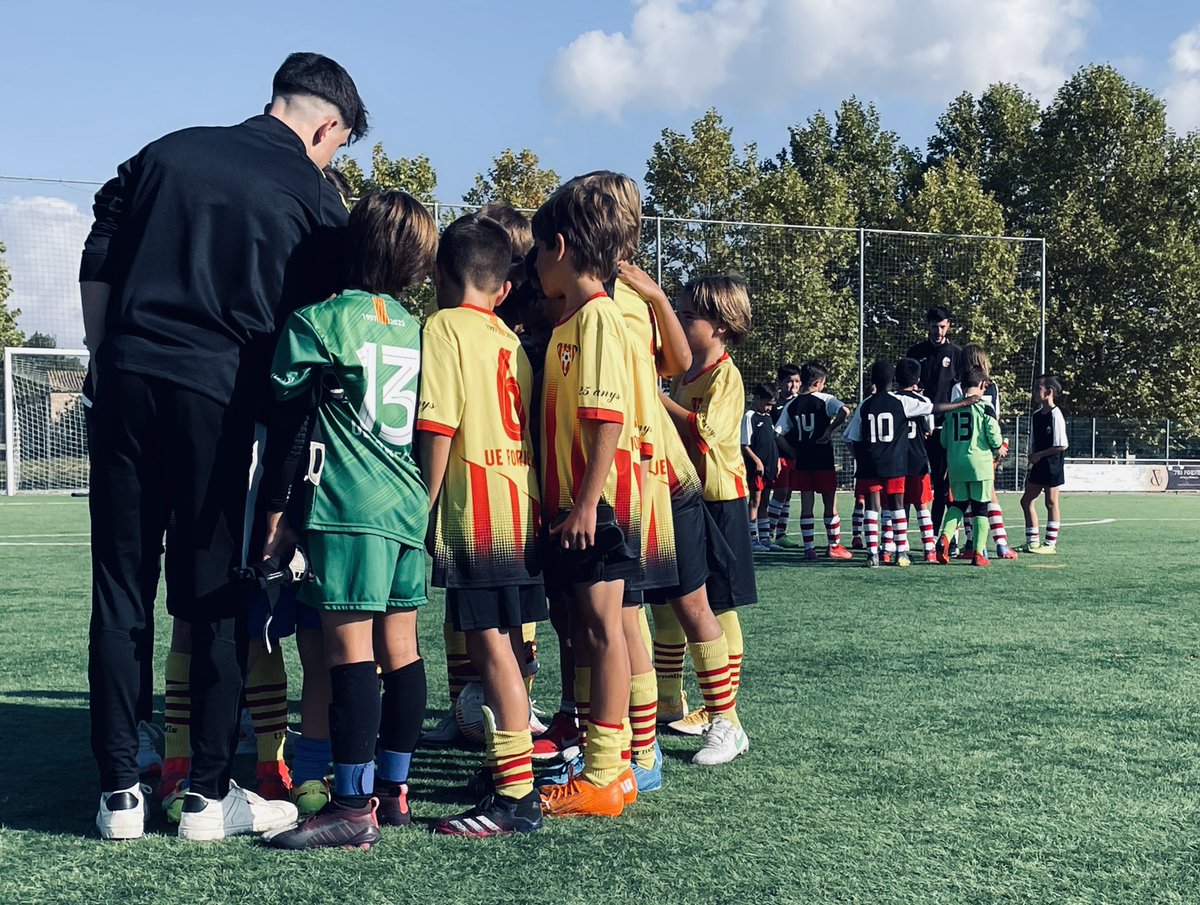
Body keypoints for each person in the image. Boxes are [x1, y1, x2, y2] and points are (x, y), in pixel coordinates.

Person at [82, 52, 365, 841]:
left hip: (128, 378)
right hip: (218, 398)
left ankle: (118, 794)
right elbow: (309, 351)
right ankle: (207, 796)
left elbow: (101, 239)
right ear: (328, 126)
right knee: (211, 595)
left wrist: (104, 355)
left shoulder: (168, 150)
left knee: (120, 590)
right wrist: (282, 494)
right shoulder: (315, 197)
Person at [261, 191, 439, 850]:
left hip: (350, 506)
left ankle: (351, 806)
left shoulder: (320, 321)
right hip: (408, 503)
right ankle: (394, 791)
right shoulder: (420, 329)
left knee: (349, 652)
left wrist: (279, 511)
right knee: (403, 649)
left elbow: (281, 397)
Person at [416, 214, 547, 837]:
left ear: (440, 275)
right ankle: (509, 776)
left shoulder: (444, 327)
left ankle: (515, 798)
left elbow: (438, 425)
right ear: (504, 286)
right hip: (523, 508)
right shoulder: (510, 339)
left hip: (479, 513)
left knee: (491, 649)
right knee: (511, 651)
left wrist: (422, 506)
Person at [533, 179, 642, 818]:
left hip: (595, 506)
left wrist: (584, 504)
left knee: (602, 632)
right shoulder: (572, 321)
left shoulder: (598, 317)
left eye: (537, 253)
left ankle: (604, 773)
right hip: (579, 504)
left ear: (560, 247)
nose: (533, 267)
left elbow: (607, 418)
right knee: (588, 630)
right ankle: (612, 765)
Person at [660, 274, 756, 765]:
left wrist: (657, 399)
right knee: (675, 601)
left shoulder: (725, 376)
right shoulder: (685, 373)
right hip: (686, 497)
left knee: (719, 606)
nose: (679, 322)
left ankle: (726, 717)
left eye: (688, 316)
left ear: (720, 325)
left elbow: (705, 434)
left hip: (722, 499)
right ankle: (670, 700)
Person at [773, 361, 853, 561]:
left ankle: (809, 549)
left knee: (806, 505)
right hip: (823, 458)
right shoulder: (825, 399)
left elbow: (777, 434)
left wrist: (793, 451)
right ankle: (834, 546)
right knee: (830, 504)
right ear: (818, 382)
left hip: (803, 461)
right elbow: (845, 411)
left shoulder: (791, 405)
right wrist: (829, 430)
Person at [949, 344, 1016, 559]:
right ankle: (1000, 542)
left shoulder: (958, 387)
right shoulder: (992, 387)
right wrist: (997, 447)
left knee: (968, 502)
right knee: (988, 496)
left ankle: (974, 544)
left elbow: (953, 415)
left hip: (964, 450)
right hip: (986, 448)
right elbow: (994, 417)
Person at [934, 366, 1005, 567]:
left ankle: (945, 537)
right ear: (982, 385)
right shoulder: (985, 407)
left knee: (958, 505)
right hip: (979, 464)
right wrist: (999, 447)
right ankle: (979, 553)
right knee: (980, 508)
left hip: (956, 464)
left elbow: (944, 440)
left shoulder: (952, 407)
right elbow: (993, 435)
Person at [906, 307, 963, 533]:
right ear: (927, 325)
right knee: (912, 481)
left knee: (943, 484)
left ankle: (945, 536)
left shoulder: (957, 354)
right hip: (918, 429)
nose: (938, 331)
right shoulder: (915, 352)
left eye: (942, 326)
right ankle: (900, 536)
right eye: (934, 326)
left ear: (948, 326)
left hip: (944, 428)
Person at [894, 358, 938, 562]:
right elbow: (929, 428)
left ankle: (899, 545)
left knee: (899, 505)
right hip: (918, 458)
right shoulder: (924, 401)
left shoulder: (892, 400)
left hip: (896, 460)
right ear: (918, 380)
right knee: (922, 506)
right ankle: (929, 549)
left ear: (896, 379)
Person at [1019, 375, 1068, 554]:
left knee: (1051, 502)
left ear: (1049, 392)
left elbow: (1061, 445)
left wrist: (1039, 455)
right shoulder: (1036, 415)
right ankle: (1032, 541)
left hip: (1052, 464)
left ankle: (1050, 545)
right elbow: (1034, 441)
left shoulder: (1056, 414)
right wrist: (1032, 457)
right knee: (1026, 500)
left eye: (1037, 388)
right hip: (1038, 464)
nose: (1033, 392)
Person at [765, 364, 801, 548]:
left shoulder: (800, 402)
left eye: (797, 381)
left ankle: (781, 533)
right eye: (789, 381)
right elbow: (773, 433)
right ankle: (769, 533)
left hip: (795, 455)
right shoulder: (775, 404)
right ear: (780, 383)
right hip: (780, 456)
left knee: (788, 494)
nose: (793, 385)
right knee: (780, 492)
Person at [742, 384, 779, 552]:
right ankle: (752, 539)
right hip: (756, 469)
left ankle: (765, 538)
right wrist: (757, 461)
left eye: (772, 405)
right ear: (757, 399)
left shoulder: (768, 417)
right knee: (755, 501)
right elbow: (744, 444)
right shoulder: (749, 417)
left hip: (769, 467)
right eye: (767, 404)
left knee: (765, 501)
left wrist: (776, 461)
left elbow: (771, 441)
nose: (769, 408)